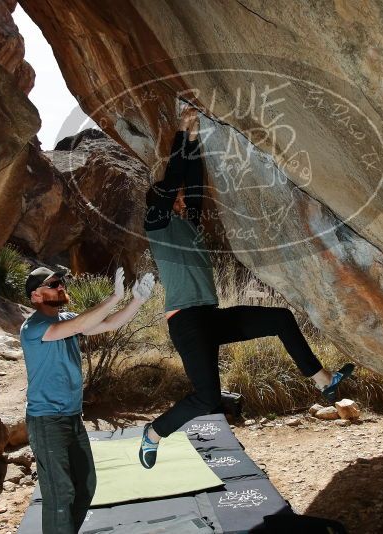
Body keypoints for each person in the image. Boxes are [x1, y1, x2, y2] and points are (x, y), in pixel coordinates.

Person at [139, 106, 354, 469]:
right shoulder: (156, 224)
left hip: (209, 315)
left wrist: (193, 139)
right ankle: (154, 434)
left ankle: (323, 381)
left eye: (178, 200)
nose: (180, 200)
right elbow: (176, 179)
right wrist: (181, 133)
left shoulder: (187, 222)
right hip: (187, 323)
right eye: (172, 198)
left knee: (280, 319)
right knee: (206, 398)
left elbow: (191, 182)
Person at [20, 266, 155, 533]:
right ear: (36, 296)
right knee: (60, 494)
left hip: (72, 417)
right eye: (54, 284)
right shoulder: (33, 327)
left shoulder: (66, 319)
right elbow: (82, 324)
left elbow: (107, 323)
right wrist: (115, 297)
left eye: (61, 282)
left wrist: (137, 300)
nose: (61, 287)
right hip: (47, 422)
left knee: (86, 486)